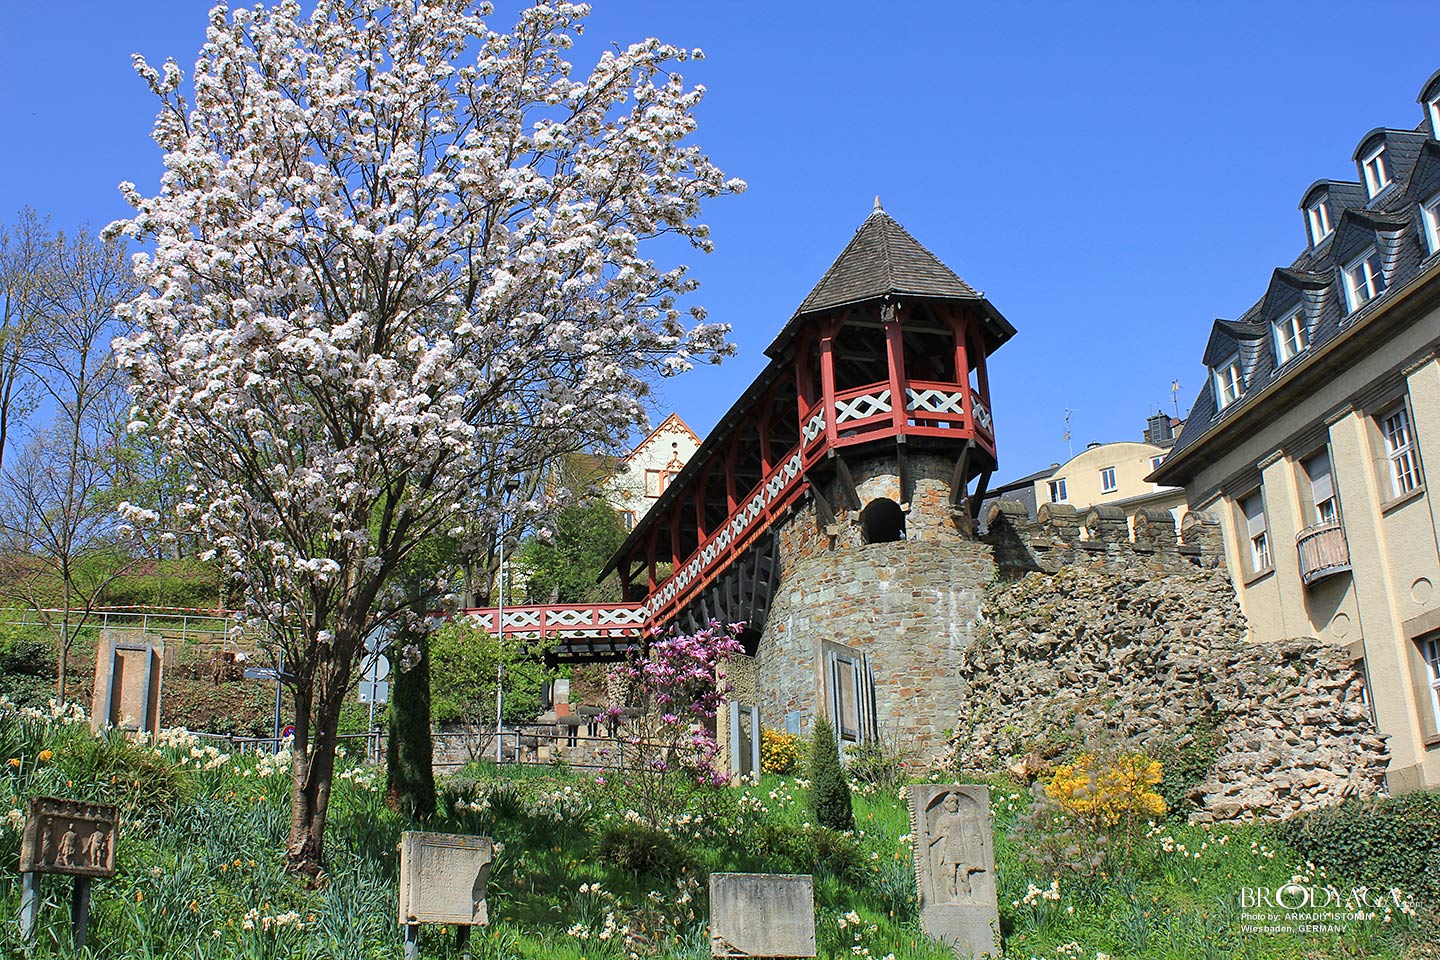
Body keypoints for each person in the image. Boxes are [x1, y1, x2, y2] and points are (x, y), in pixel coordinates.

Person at [930, 792, 985, 900]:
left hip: (962, 849)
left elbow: (971, 827)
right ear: (945, 805)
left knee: (964, 876)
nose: (953, 805)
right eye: (950, 802)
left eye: (954, 802)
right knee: (951, 876)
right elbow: (937, 834)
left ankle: (968, 897)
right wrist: (929, 841)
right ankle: (954, 898)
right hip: (949, 850)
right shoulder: (942, 819)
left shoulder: (962, 817)